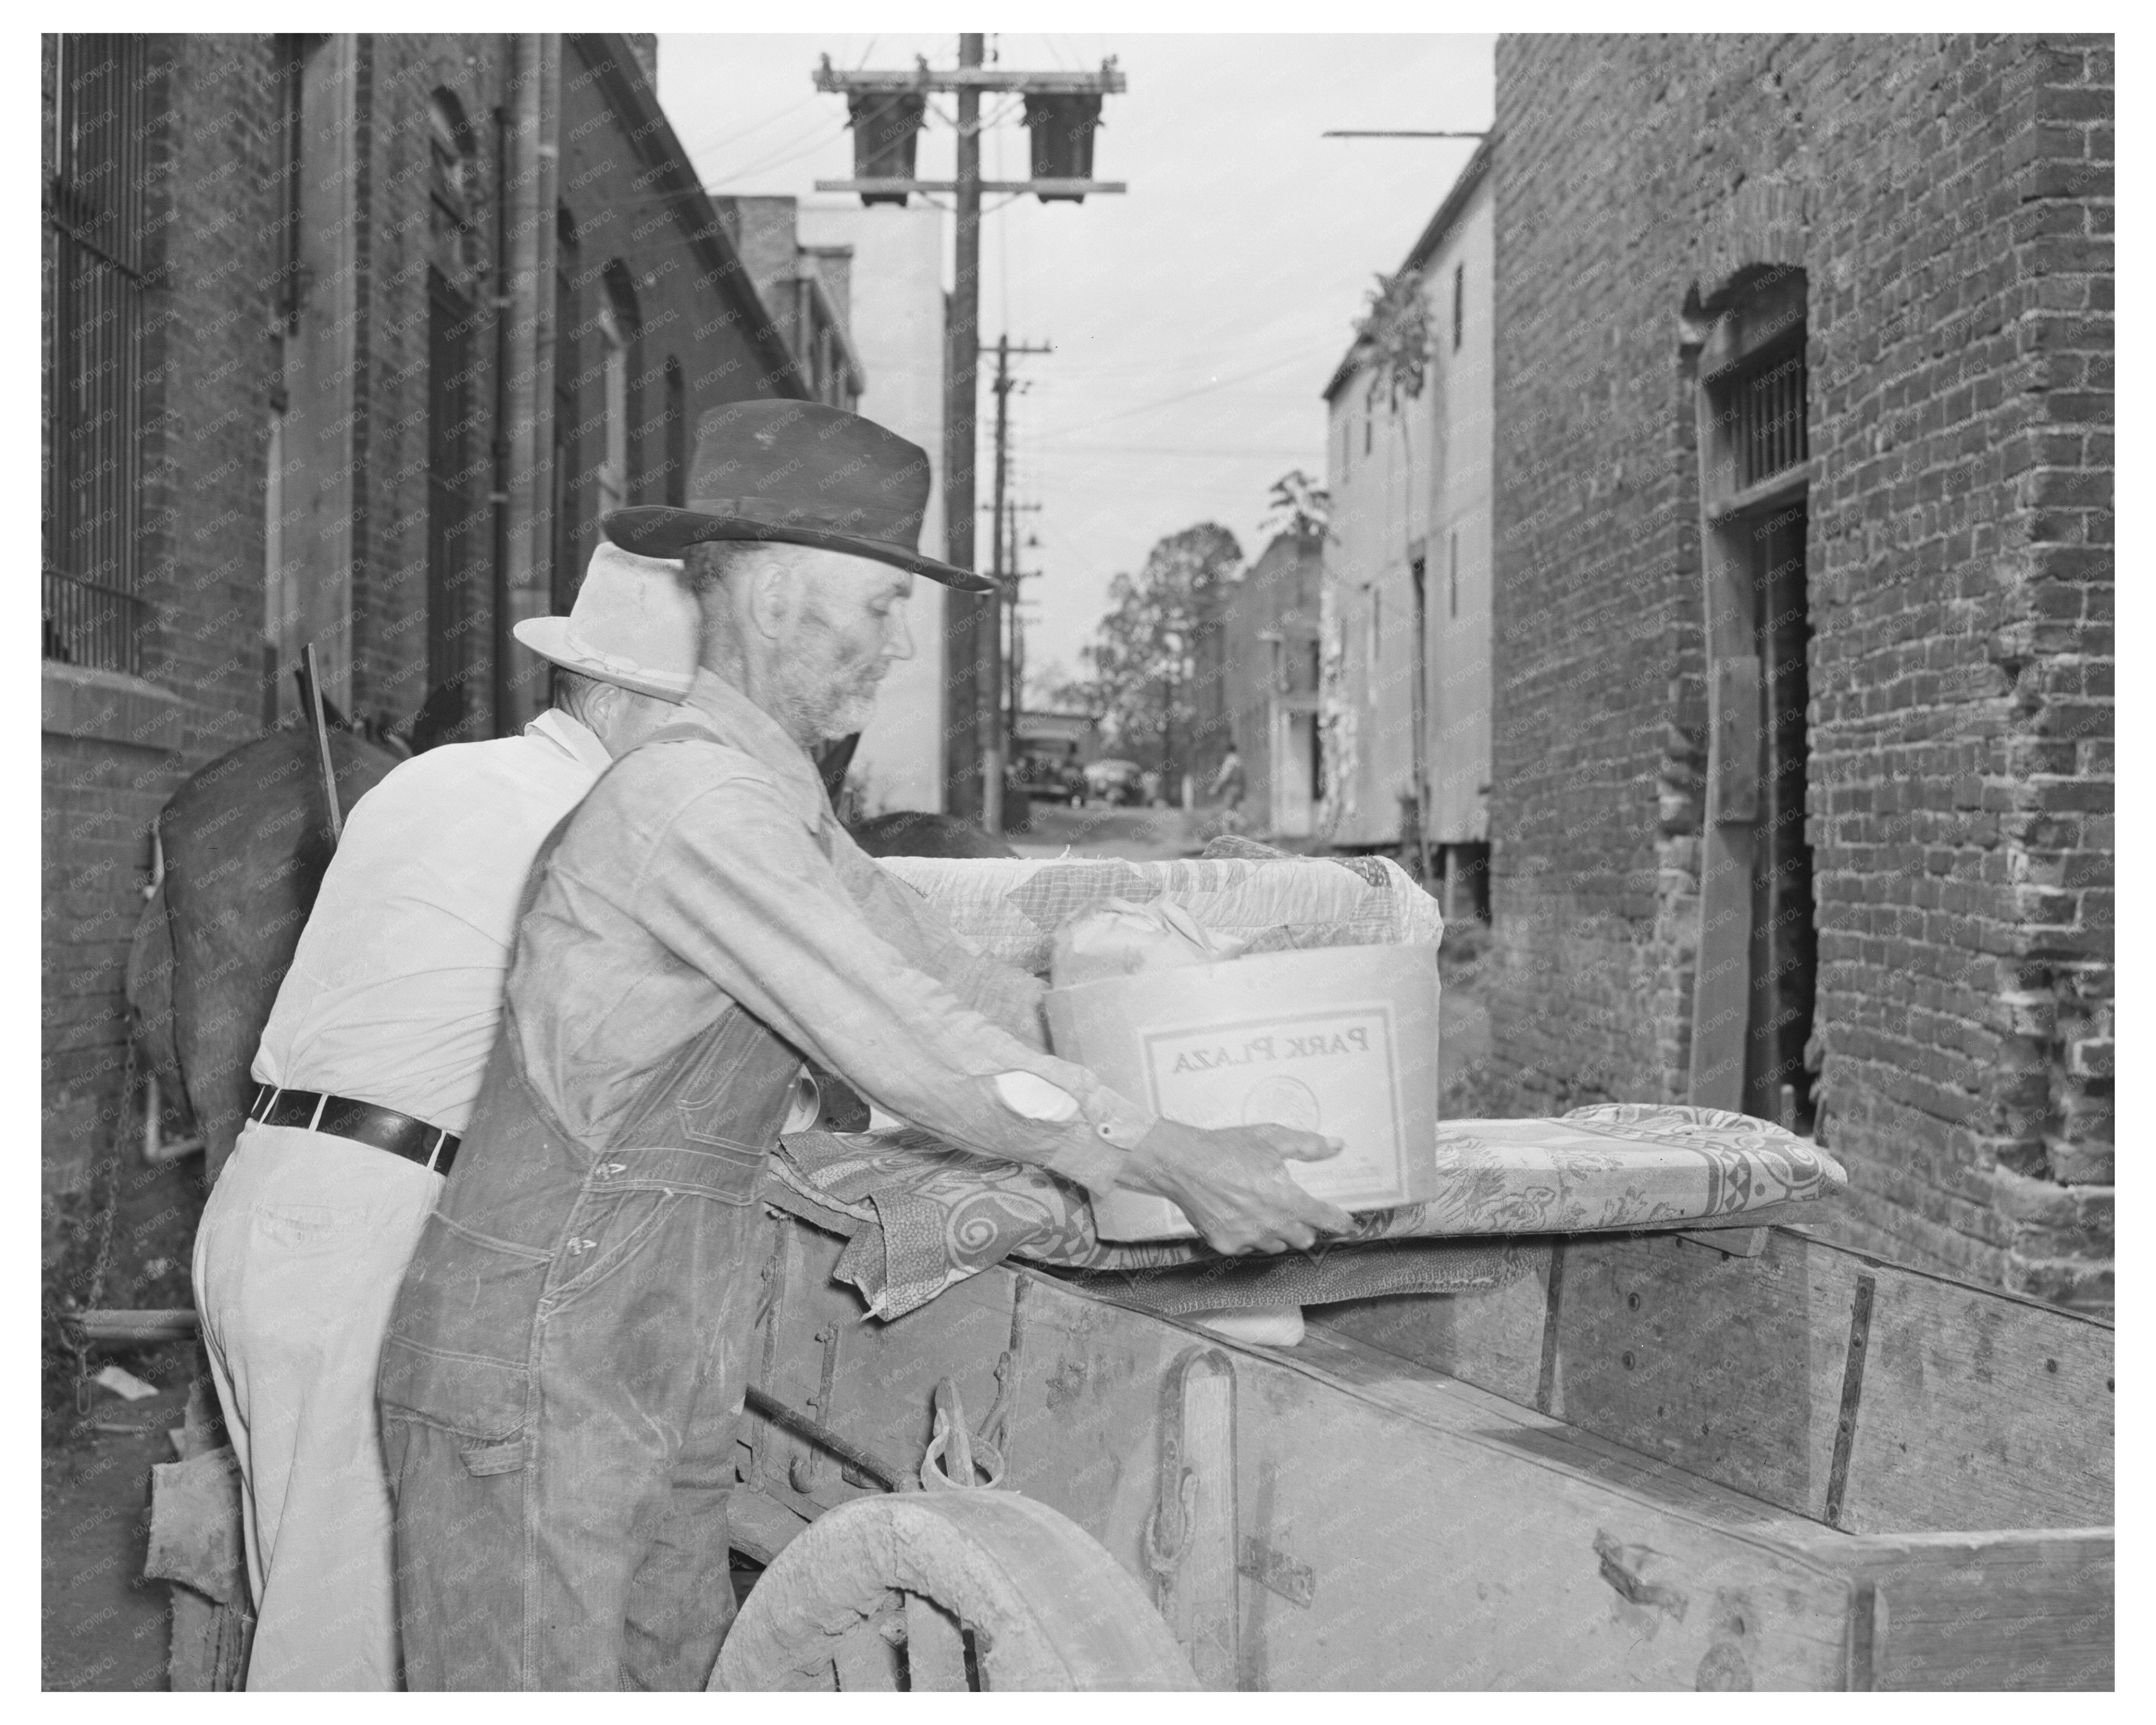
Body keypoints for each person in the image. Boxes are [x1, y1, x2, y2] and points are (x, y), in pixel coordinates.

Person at [379, 400, 1350, 1691]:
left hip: (647, 1346)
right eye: (882, 609)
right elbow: (909, 1043)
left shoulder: (780, 806)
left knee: (675, 1677)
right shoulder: (695, 801)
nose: (898, 649)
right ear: (778, 598)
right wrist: (1158, 1151)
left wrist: (1195, 1045)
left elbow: (953, 983)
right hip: (538, 1350)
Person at [190, 545, 699, 1690]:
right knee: (345, 1651)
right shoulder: (592, 821)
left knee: (306, 1603)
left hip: (263, 1203)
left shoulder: (435, 780)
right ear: (614, 699)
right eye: (691, 723)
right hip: (374, 1227)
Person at [1211, 739, 1248, 831]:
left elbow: (1224, 776)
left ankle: (1234, 828)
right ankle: (1234, 831)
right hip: (1239, 788)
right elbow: (1244, 778)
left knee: (1227, 812)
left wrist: (1216, 787)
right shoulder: (1239, 761)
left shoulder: (1230, 760)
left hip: (1231, 788)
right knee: (1234, 811)